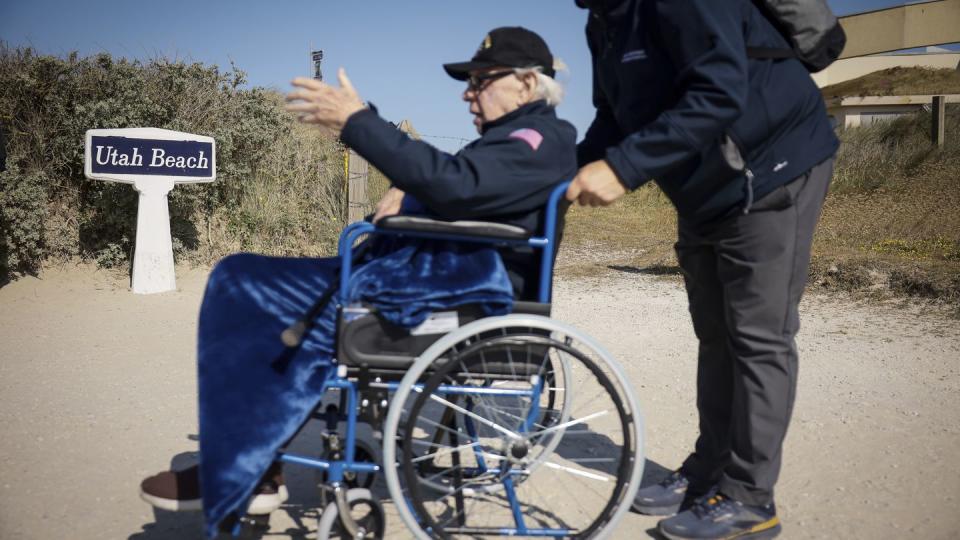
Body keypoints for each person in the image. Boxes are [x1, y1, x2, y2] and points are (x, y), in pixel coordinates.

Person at [138, 26, 576, 537]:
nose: (467, 92)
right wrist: (409, 194)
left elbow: (459, 188)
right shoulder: (522, 139)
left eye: (480, 81)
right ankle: (246, 458)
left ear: (526, 84)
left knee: (243, 285)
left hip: (461, 295)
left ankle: (243, 468)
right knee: (243, 278)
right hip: (436, 275)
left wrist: (359, 123)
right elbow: (465, 188)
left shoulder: (534, 139)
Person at [567, 1, 839, 539]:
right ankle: (708, 473)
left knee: (758, 337)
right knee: (715, 335)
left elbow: (719, 91)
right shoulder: (603, 18)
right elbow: (614, 116)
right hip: (706, 188)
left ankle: (749, 499)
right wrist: (562, 169)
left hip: (772, 165)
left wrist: (623, 167)